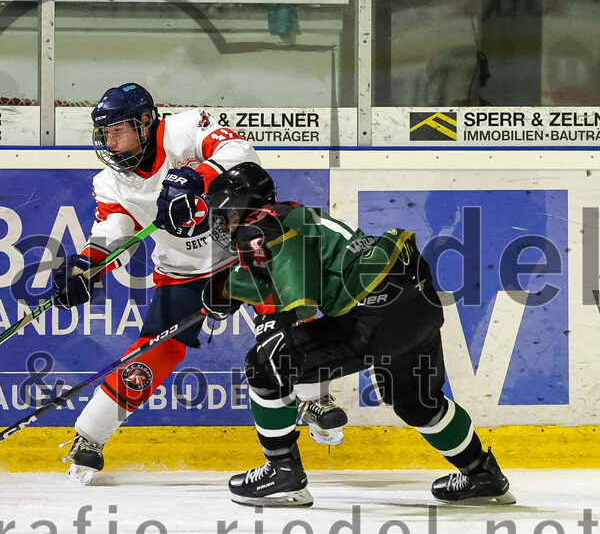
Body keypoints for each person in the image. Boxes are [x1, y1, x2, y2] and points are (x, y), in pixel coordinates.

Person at [50, 83, 345, 484]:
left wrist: (195, 175)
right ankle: (89, 437)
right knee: (156, 351)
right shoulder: (110, 182)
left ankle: (314, 398)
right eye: (105, 134)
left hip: (244, 248)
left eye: (118, 130)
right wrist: (86, 265)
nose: (111, 142)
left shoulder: (188, 127)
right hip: (183, 270)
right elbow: (113, 229)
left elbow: (241, 154)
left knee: (288, 320)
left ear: (144, 122)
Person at [201, 162, 516, 507]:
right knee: (416, 402)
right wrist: (229, 292)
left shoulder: (259, 224)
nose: (224, 223)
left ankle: (282, 472)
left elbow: (297, 293)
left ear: (247, 205)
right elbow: (290, 267)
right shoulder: (294, 216)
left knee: (263, 366)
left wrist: (273, 325)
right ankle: (481, 473)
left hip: (376, 309)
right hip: (414, 293)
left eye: (227, 213)